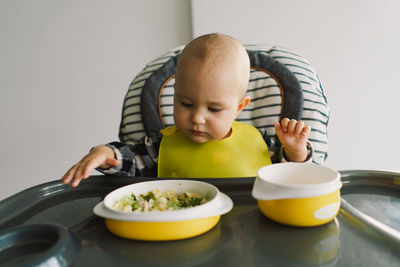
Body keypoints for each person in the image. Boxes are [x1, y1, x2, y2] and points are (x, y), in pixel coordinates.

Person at [62, 33, 312, 187]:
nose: (197, 118)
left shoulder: (262, 144)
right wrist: (107, 154)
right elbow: (131, 163)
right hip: (179, 234)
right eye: (185, 103)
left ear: (238, 108)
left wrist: (294, 151)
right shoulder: (160, 148)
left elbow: (290, 178)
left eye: (214, 108)